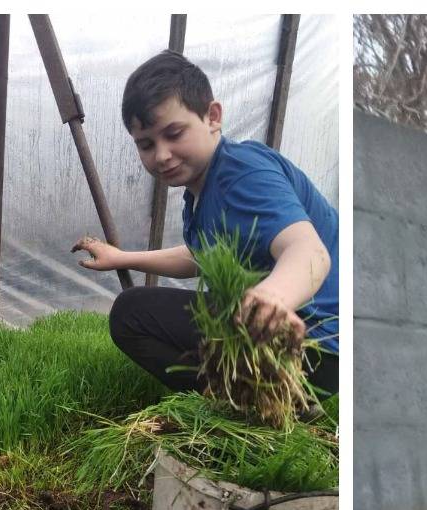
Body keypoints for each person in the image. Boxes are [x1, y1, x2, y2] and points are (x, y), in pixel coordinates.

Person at [72, 51, 338, 394]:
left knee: (131, 314)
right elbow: (200, 256)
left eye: (174, 133)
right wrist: (123, 258)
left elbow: (309, 250)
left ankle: (251, 401)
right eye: (147, 144)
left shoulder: (242, 173)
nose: (162, 154)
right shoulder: (202, 191)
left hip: (310, 345)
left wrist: (273, 297)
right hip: (297, 350)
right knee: (144, 309)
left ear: (212, 117)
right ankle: (251, 396)